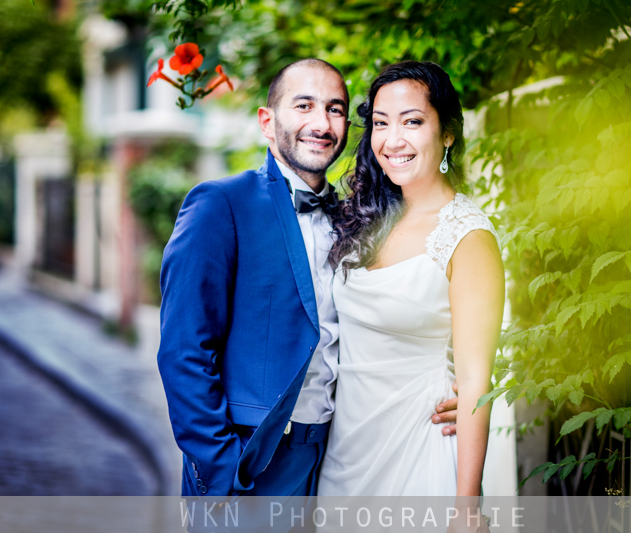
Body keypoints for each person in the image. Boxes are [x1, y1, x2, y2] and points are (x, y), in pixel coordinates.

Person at [157, 58, 459, 497]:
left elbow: (398, 310)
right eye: (304, 106)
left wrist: (450, 385)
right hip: (252, 460)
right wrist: (221, 468)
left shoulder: (355, 219)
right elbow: (184, 351)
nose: (321, 123)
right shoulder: (221, 205)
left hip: (337, 459)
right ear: (267, 121)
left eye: (335, 109)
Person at [318, 61, 506, 499]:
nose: (392, 140)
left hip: (419, 450)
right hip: (345, 458)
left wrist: (467, 506)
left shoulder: (468, 237)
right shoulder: (365, 217)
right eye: (381, 123)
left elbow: (475, 384)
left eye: (413, 122)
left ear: (448, 133)